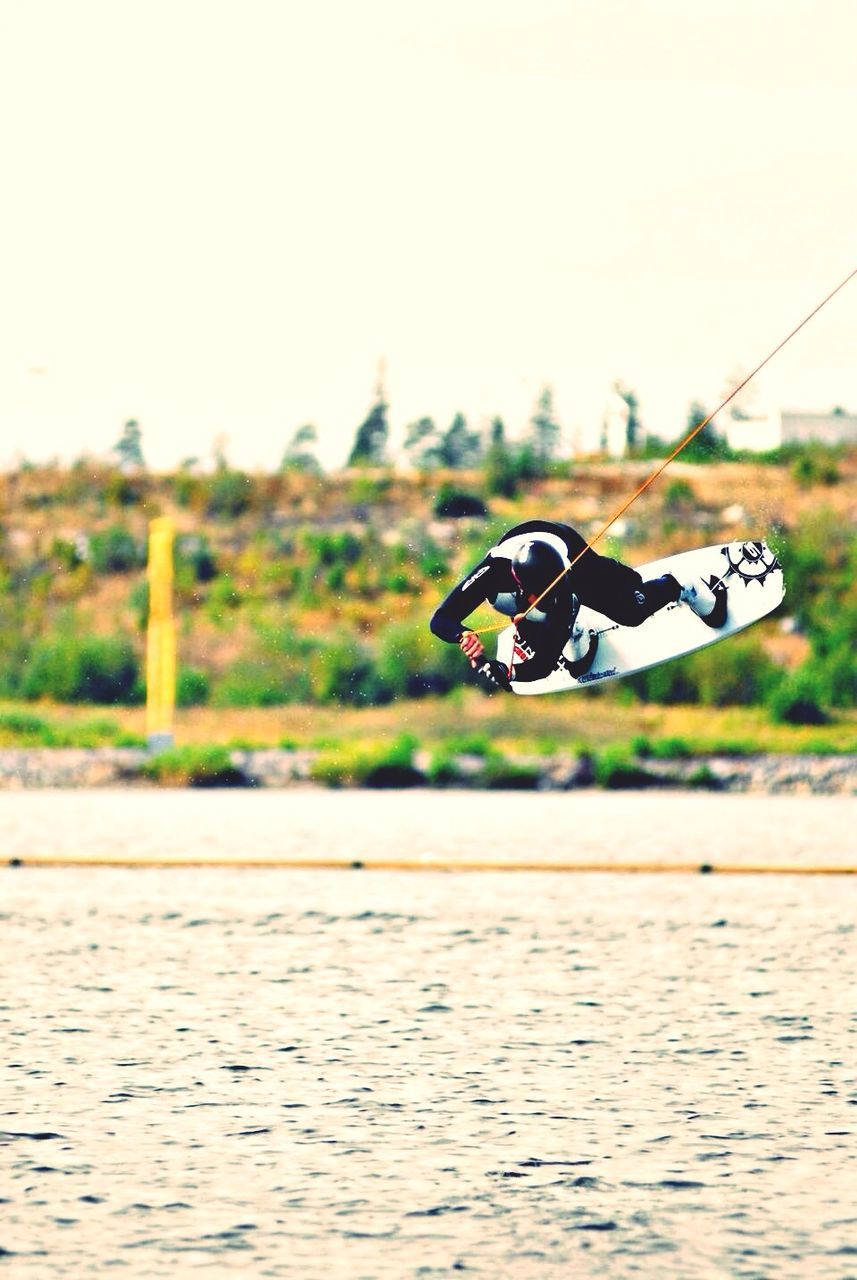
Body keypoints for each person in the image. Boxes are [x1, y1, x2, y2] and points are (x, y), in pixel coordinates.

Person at [429, 519, 726, 690]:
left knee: (631, 611)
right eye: (541, 595)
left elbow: (543, 666)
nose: (548, 599)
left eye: (551, 593)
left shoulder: (567, 583)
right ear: (522, 585)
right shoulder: (492, 573)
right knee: (529, 618)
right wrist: (464, 636)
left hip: (572, 553)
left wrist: (513, 672)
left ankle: (682, 586)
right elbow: (440, 619)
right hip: (523, 559)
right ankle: (576, 632)